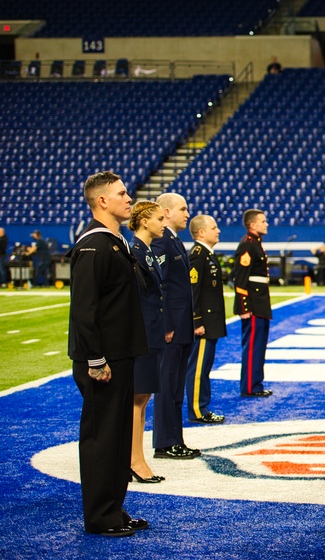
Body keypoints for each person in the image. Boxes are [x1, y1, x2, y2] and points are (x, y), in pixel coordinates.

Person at [68, 170, 149, 537]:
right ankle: (100, 516)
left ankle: (114, 508)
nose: (128, 198)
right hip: (103, 360)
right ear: (102, 201)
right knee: (102, 438)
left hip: (121, 354)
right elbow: (84, 311)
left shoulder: (115, 241)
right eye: (121, 193)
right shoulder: (94, 244)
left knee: (117, 437)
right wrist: (95, 360)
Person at [151, 193, 200, 460]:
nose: (187, 214)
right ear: (166, 212)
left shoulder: (173, 240)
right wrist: (167, 324)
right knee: (167, 387)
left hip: (182, 326)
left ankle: (175, 439)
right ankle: (164, 442)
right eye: (182, 209)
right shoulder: (162, 241)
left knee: (176, 387)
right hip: (172, 327)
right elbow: (161, 285)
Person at [128, 201, 171, 484]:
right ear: (144, 221)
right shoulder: (135, 252)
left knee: (143, 398)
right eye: (158, 219)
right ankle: (134, 460)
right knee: (137, 398)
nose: (163, 224)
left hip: (150, 330)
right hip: (141, 332)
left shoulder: (147, 253)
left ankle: (136, 458)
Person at [187, 214, 227, 424]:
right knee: (198, 368)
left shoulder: (207, 254)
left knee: (206, 367)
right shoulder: (198, 255)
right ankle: (197, 409)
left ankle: (203, 405)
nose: (218, 230)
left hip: (211, 322)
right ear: (201, 232)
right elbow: (193, 291)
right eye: (214, 227)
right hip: (203, 323)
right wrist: (197, 321)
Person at [233, 209, 273, 398]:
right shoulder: (247, 245)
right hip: (253, 306)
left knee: (259, 346)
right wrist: (244, 307)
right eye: (263, 221)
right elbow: (240, 279)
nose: (266, 224)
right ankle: (250, 386)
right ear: (252, 225)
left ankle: (255, 383)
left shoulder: (256, 244)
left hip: (261, 304)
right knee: (252, 347)